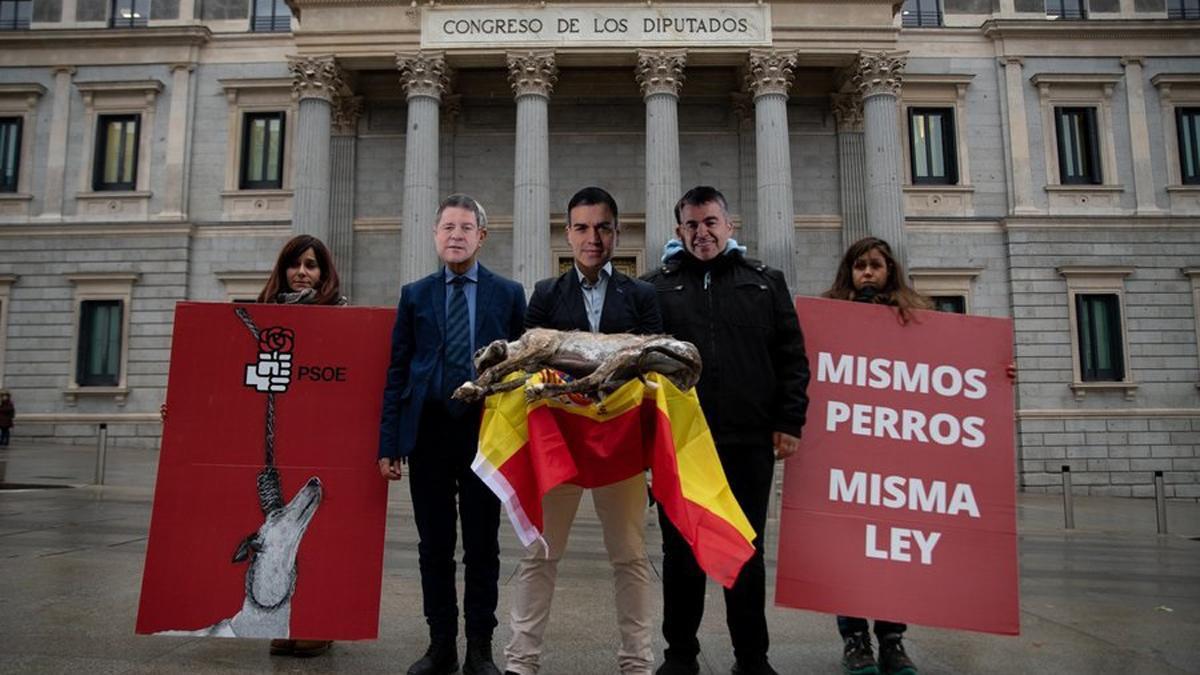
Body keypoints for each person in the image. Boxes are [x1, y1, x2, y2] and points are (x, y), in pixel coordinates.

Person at [643, 186, 810, 675]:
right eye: (692, 225)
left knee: (747, 553)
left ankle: (752, 659)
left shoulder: (765, 281)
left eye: (711, 222)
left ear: (729, 225)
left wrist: (789, 421)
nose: (703, 233)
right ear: (680, 231)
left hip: (748, 440)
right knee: (681, 555)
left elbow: (792, 359)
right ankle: (680, 657)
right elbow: (641, 366)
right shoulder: (656, 288)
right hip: (682, 446)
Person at [504, 186, 662, 675]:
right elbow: (529, 360)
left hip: (621, 446)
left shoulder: (642, 295)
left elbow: (653, 361)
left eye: (602, 228)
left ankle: (637, 662)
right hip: (561, 446)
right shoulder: (546, 295)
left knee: (631, 557)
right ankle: (521, 661)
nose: (592, 238)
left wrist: (571, 358)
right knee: (539, 555)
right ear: (568, 234)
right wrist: (610, 358)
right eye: (582, 228)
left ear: (617, 233)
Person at [378, 194, 526, 675]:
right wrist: (390, 444)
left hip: (487, 433)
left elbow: (523, 370)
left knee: (483, 544)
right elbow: (397, 372)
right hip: (430, 433)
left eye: (466, 228)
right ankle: (440, 642)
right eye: (448, 227)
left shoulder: (508, 294)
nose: (456, 235)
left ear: (482, 236)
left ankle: (479, 648)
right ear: (435, 235)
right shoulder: (415, 294)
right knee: (434, 545)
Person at [822, 236, 925, 675]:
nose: (867, 272)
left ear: (889, 271)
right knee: (847, 551)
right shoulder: (828, 319)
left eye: (876, 265)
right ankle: (855, 638)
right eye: (860, 265)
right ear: (849, 272)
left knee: (891, 552)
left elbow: (950, 369)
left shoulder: (916, 321)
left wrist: (996, 372)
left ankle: (892, 639)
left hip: (893, 453)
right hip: (845, 453)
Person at [258, 233, 346, 658]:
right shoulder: (258, 318)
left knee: (322, 528)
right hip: (278, 436)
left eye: (311, 265)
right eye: (296, 264)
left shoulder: (343, 318)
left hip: (325, 437)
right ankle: (281, 617)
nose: (302, 273)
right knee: (278, 533)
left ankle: (317, 621)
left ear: (324, 273)